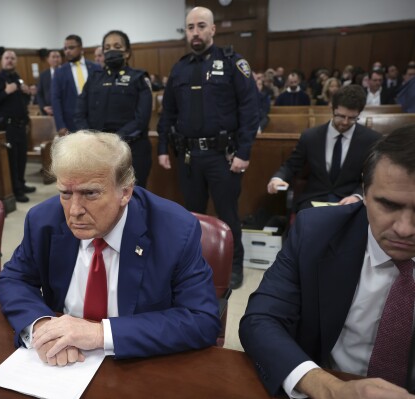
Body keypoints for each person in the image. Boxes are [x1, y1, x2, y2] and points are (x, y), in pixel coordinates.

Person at [0, 131, 220, 366]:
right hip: (63, 363)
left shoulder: (175, 230)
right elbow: (14, 279)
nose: (74, 211)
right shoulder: (44, 220)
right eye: (65, 193)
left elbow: (201, 319)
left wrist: (100, 334)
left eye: (90, 193)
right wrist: (42, 327)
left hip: (136, 363)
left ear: (125, 192)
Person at [241, 125, 415, 399]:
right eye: (389, 205)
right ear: (364, 191)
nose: (405, 229)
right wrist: (330, 388)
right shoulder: (316, 232)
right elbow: (261, 320)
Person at [157, 6, 259, 289]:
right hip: (189, 155)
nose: (196, 32)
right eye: (190, 27)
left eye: (201, 26)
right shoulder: (180, 68)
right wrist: (163, 148)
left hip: (223, 156)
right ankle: (194, 265)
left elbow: (251, 110)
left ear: (213, 29)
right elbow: (168, 113)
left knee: (228, 214)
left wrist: (244, 152)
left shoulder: (232, 63)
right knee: (191, 217)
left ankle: (234, 265)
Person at [267, 85, 381, 211]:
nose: (345, 122)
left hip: (350, 201)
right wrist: (277, 179)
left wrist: (357, 196)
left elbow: (374, 176)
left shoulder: (371, 139)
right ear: (332, 109)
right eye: (341, 116)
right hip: (314, 199)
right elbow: (291, 165)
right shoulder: (311, 136)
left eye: (352, 118)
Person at [74, 30, 153, 188]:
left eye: (117, 46)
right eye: (107, 47)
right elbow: (79, 113)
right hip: (96, 151)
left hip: (131, 150)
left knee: (132, 196)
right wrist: (92, 139)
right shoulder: (94, 78)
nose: (112, 50)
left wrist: (113, 141)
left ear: (128, 52)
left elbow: (141, 120)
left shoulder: (139, 78)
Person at [0, 49, 36, 203]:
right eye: (7, 58)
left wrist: (28, 92)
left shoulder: (17, 78)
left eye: (12, 58)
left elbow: (22, 102)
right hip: (7, 126)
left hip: (21, 125)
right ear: (2, 61)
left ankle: (21, 183)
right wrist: (6, 92)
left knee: (21, 157)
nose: (10, 60)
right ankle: (15, 190)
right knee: (12, 160)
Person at [51, 34, 101, 136]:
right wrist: (60, 125)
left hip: (95, 121)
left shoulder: (95, 68)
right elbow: (55, 99)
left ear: (81, 49)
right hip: (71, 123)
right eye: (65, 48)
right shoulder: (59, 72)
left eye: (71, 48)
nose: (67, 51)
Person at [36, 50, 62, 116]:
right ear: (48, 59)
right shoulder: (43, 75)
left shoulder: (67, 72)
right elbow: (39, 93)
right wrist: (44, 107)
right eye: (53, 57)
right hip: (48, 110)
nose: (56, 59)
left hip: (65, 110)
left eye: (58, 57)